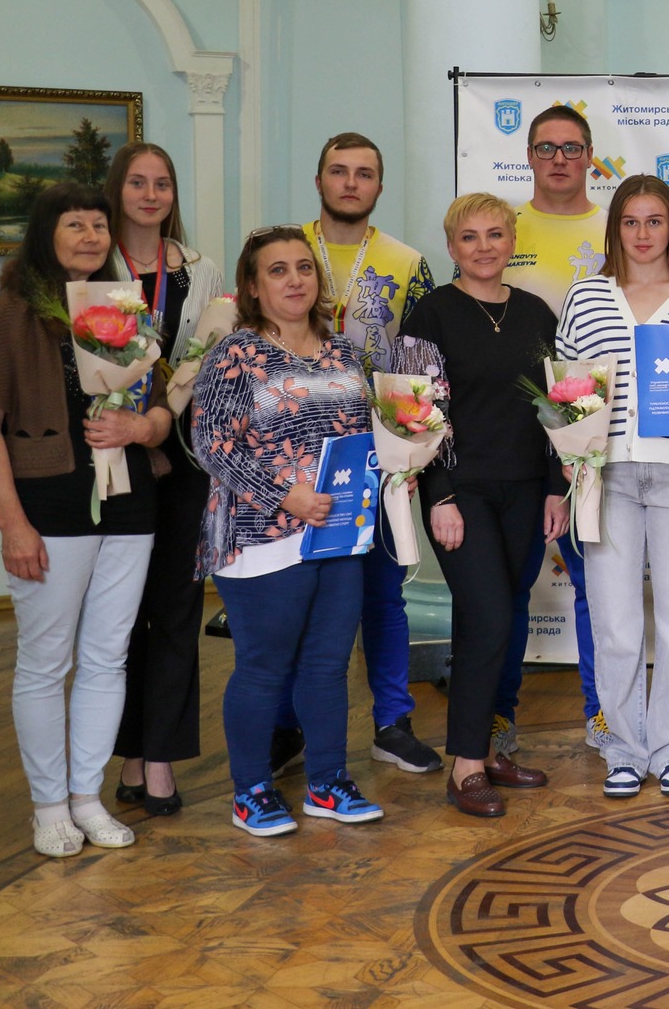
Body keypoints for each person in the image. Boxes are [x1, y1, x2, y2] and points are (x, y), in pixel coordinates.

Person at [0, 183, 168, 858]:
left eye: (99, 225)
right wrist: (11, 524)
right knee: (47, 663)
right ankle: (48, 807)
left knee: (107, 658)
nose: (90, 236)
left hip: (130, 502)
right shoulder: (10, 312)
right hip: (47, 508)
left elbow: (162, 410)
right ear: (45, 234)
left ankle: (86, 798)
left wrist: (143, 425)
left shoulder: (123, 308)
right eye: (75, 224)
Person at [191, 225, 388, 836]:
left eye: (304, 267)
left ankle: (327, 782)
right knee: (263, 667)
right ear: (253, 286)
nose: (295, 279)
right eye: (277, 270)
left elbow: (362, 436)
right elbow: (211, 444)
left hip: (338, 534)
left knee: (328, 666)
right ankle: (250, 791)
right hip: (261, 538)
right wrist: (287, 495)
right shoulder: (236, 353)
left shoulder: (342, 352)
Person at [556, 175, 669, 799]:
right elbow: (566, 388)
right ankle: (624, 749)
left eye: (655, 221)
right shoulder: (586, 297)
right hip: (607, 475)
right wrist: (571, 455)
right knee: (616, 624)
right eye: (631, 221)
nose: (643, 233)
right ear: (615, 229)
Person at [399, 193, 567, 817]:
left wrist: (555, 487)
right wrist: (439, 495)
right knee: (488, 616)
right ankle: (465, 766)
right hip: (461, 491)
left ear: (512, 241)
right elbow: (415, 414)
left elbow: (555, 407)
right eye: (469, 237)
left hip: (526, 489)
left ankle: (493, 749)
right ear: (452, 246)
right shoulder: (430, 314)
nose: (484, 247)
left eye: (495, 234)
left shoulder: (535, 313)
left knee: (507, 617)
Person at [294, 133, 440, 776]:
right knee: (300, 598)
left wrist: (413, 450)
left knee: (383, 595)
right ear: (319, 181)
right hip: (296, 454)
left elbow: (422, 363)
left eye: (364, 173)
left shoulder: (406, 263)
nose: (351, 183)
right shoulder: (285, 250)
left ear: (380, 186)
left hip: (378, 451)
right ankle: (289, 726)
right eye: (339, 171)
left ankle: (392, 721)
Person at [104, 143, 223, 817]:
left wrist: (163, 415)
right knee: (122, 614)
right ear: (117, 189)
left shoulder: (201, 272)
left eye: (162, 184)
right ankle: (128, 750)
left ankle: (159, 759)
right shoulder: (96, 266)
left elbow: (207, 361)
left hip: (182, 456)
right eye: (138, 182)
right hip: (115, 455)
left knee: (177, 608)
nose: (151, 195)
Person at [500, 103, 611, 755]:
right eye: (547, 147)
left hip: (591, 431)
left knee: (596, 584)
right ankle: (498, 714)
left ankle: (601, 712)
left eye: (572, 148)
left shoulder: (616, 229)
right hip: (514, 433)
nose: (560, 159)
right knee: (507, 584)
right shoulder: (504, 228)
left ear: (591, 156)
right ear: (529, 156)